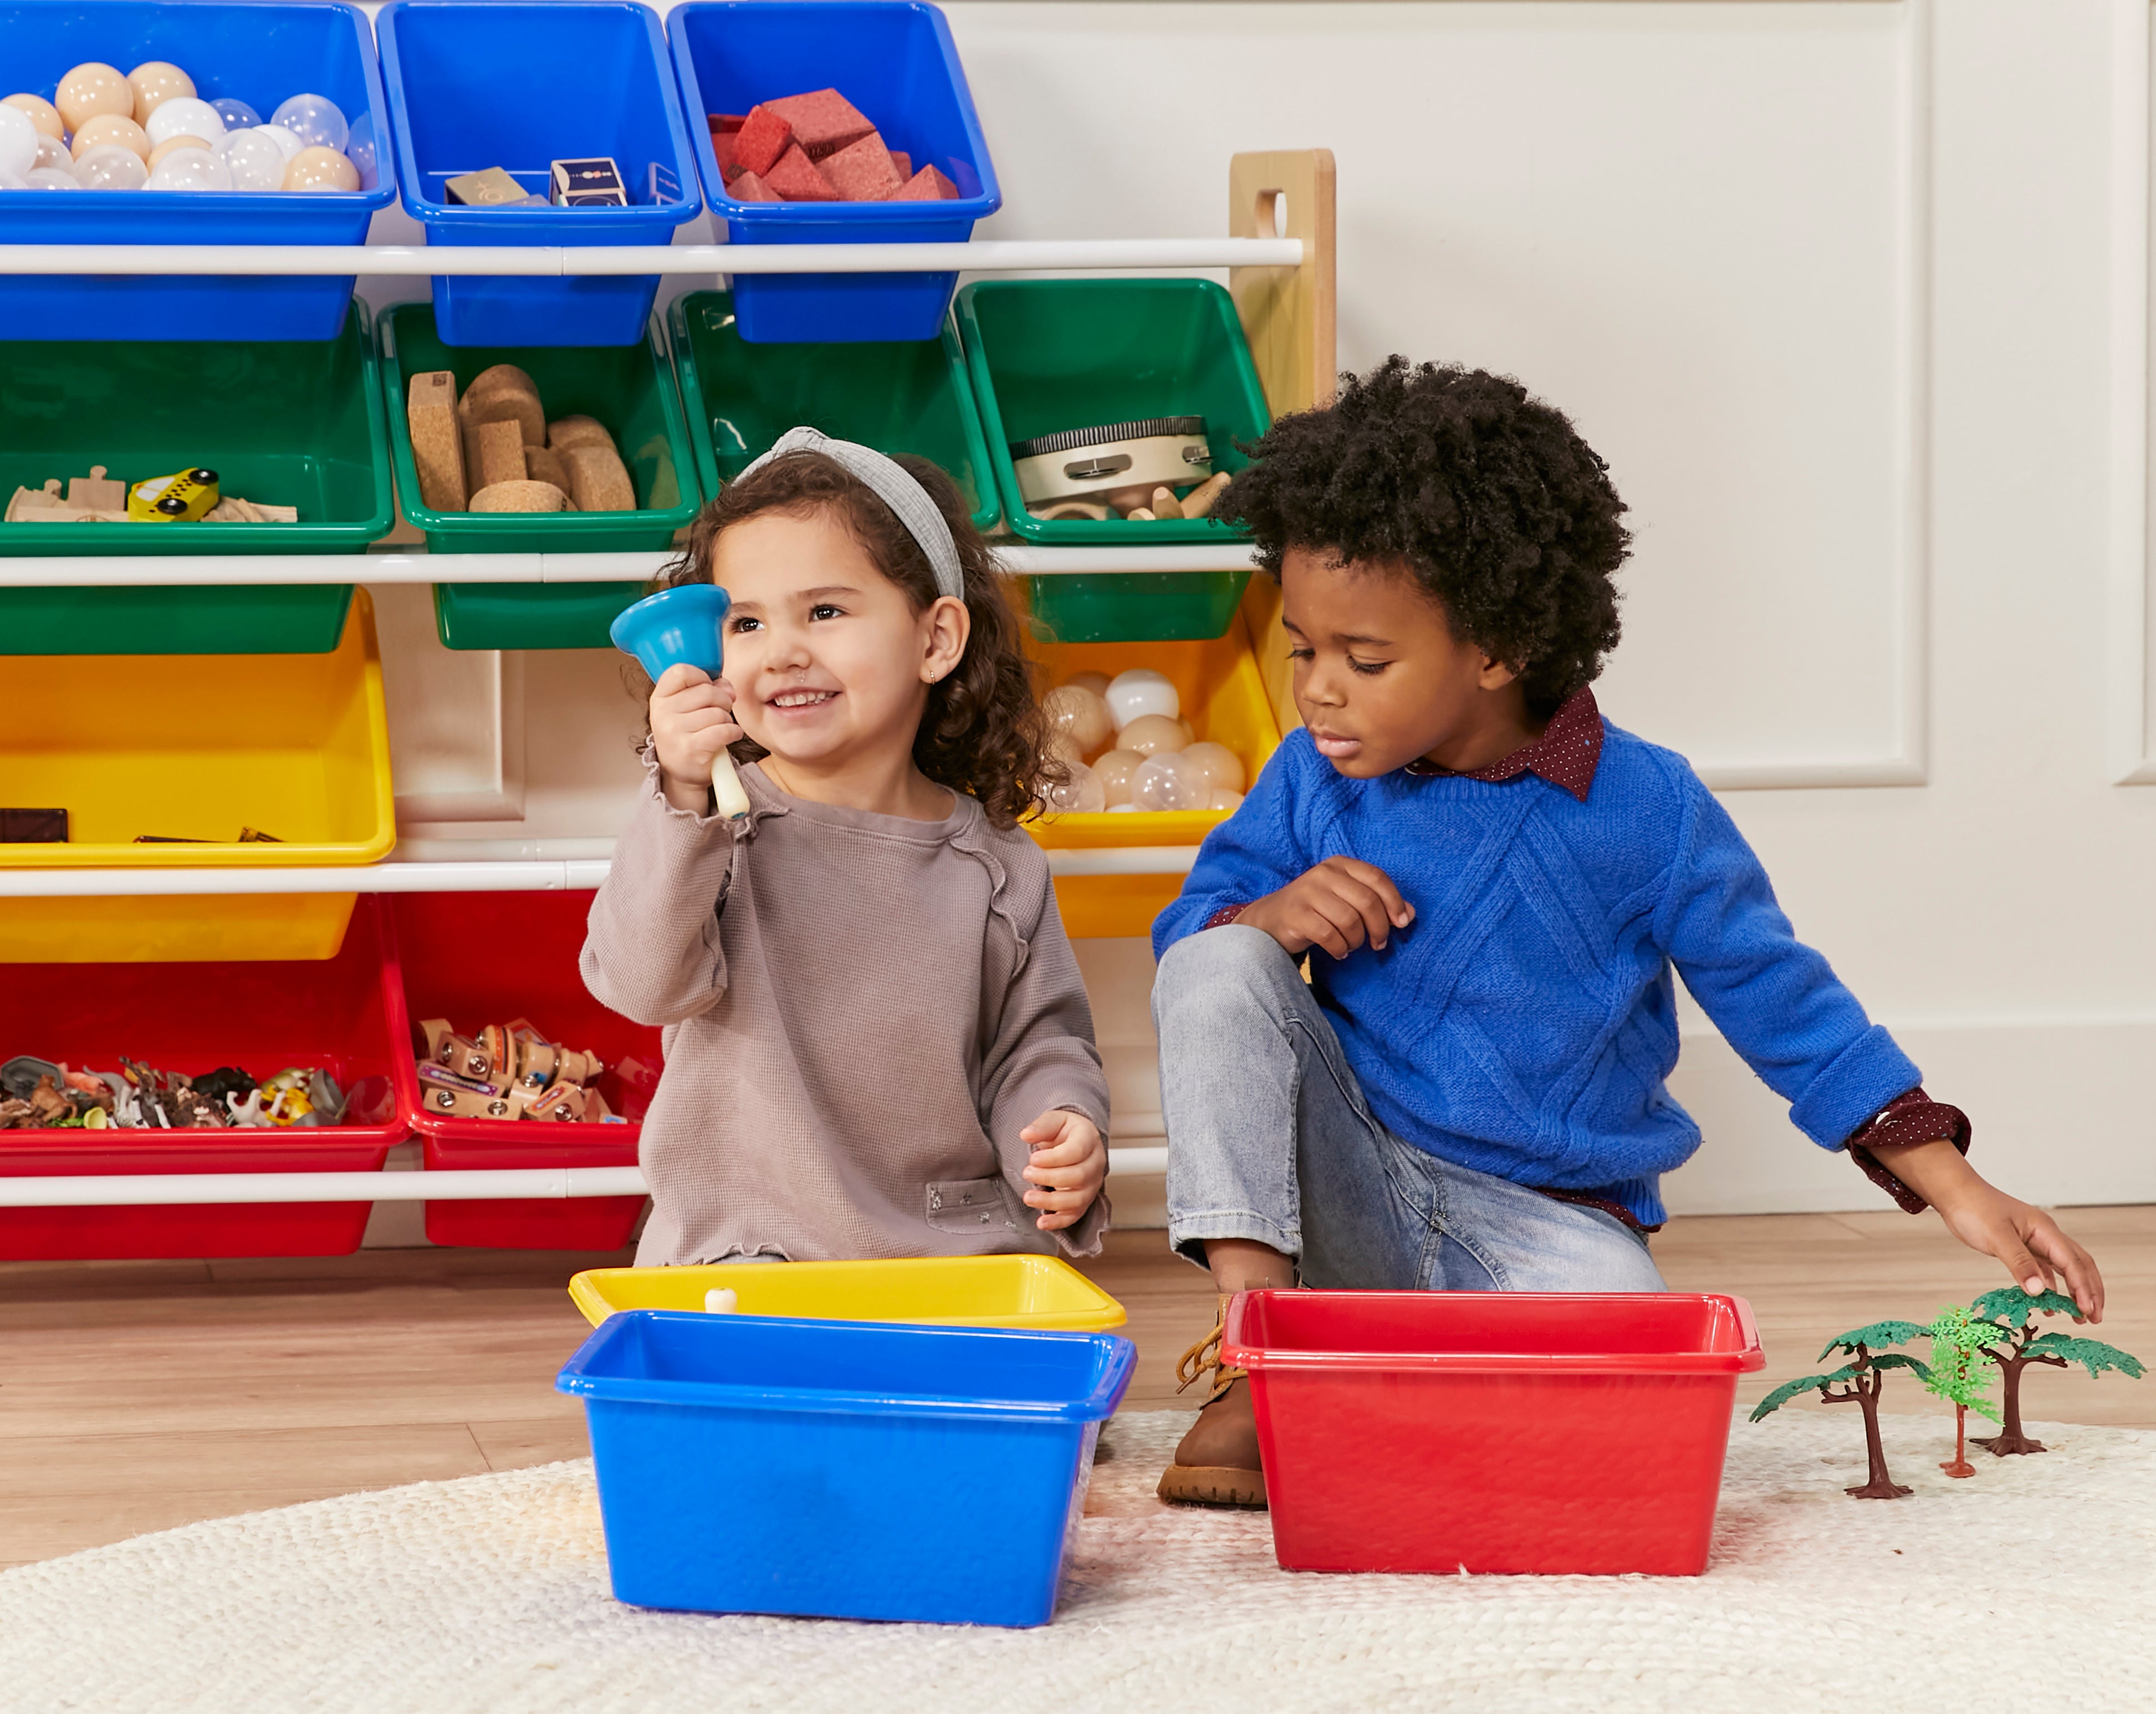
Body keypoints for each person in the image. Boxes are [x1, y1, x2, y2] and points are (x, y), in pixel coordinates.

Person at [1149, 358, 2105, 1508]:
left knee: (1637, 1403)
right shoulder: (1309, 775)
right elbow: (1196, 947)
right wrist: (1263, 913)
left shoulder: (1649, 809)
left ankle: (1410, 1377)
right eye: (1302, 648)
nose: (1315, 691)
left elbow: (1776, 996)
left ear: (1494, 647)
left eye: (1364, 658)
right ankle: (1257, 1352)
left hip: (1544, 1228)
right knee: (1216, 959)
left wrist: (1955, 1184)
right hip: (1346, 1197)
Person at [582, 429, 1111, 1268]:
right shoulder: (709, 832)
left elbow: (1038, 1043)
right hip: (748, 1256)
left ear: (936, 640)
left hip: (946, 1250)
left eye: (825, 611)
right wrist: (681, 797)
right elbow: (645, 984)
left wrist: (1062, 1125)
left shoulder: (997, 864)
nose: (784, 650)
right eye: (745, 622)